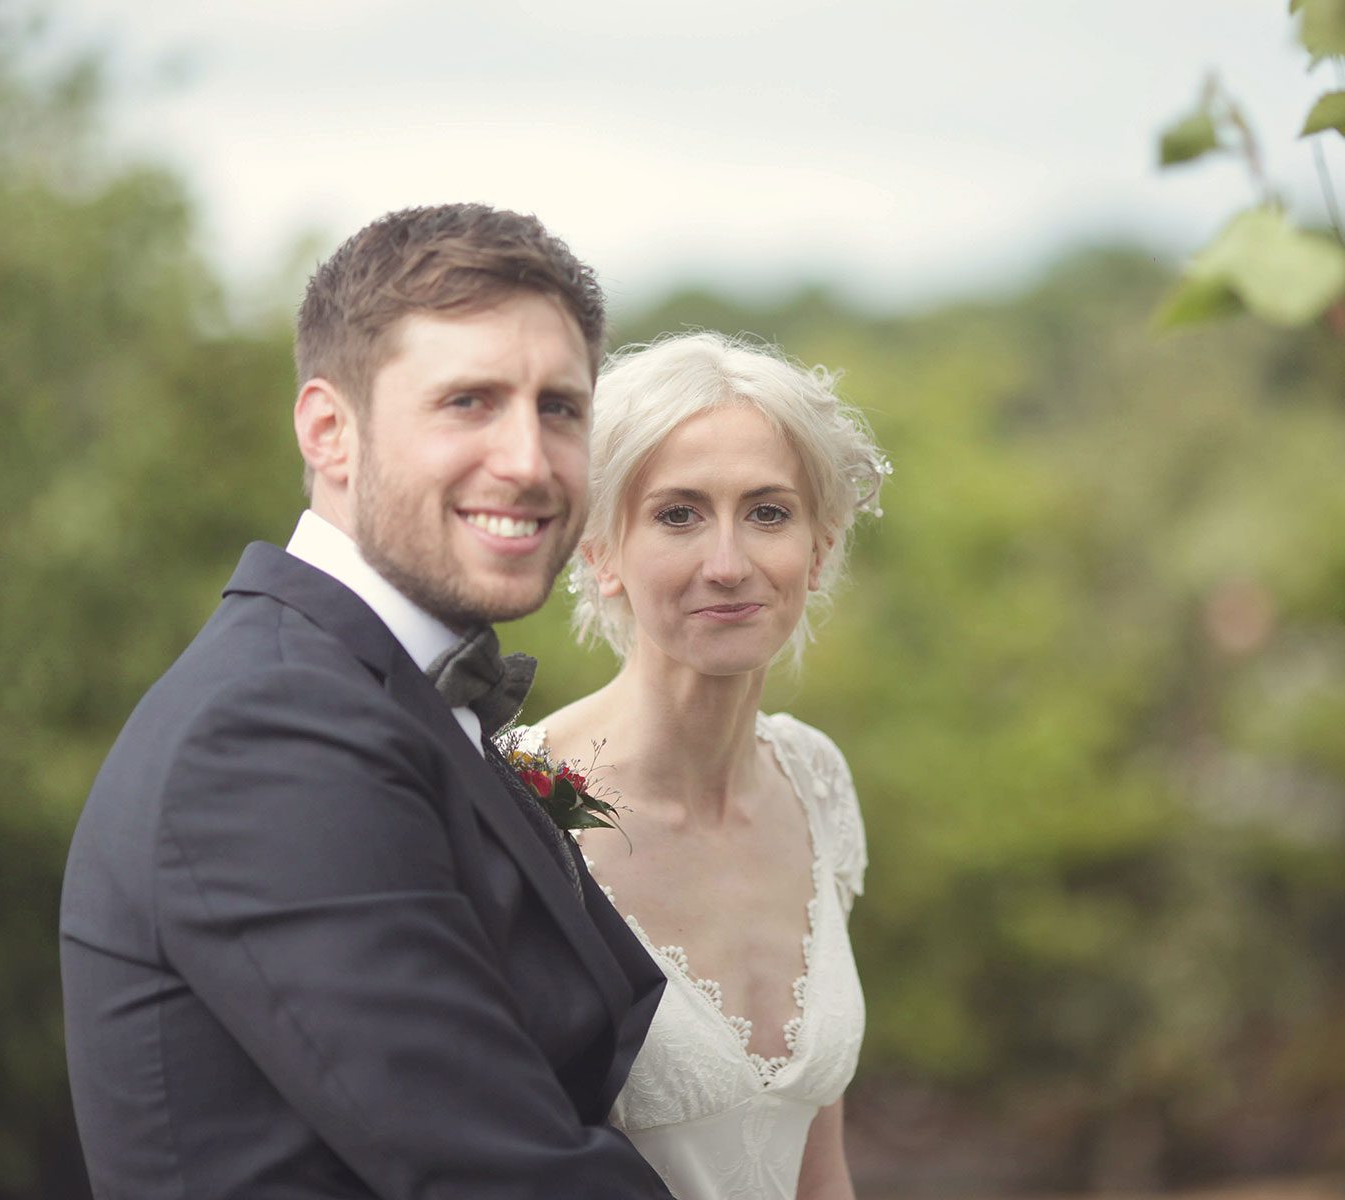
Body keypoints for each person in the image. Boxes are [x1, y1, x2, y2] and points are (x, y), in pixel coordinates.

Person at [59, 204, 674, 1199]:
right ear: (329, 431)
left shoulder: (362, 692)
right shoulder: (266, 736)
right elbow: (500, 1176)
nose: (527, 460)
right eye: (469, 401)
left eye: (560, 407)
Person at [514, 332, 888, 1200]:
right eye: (678, 514)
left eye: (768, 512)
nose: (729, 564)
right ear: (600, 551)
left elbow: (817, 1169)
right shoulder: (524, 800)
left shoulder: (815, 779)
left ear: (821, 547)